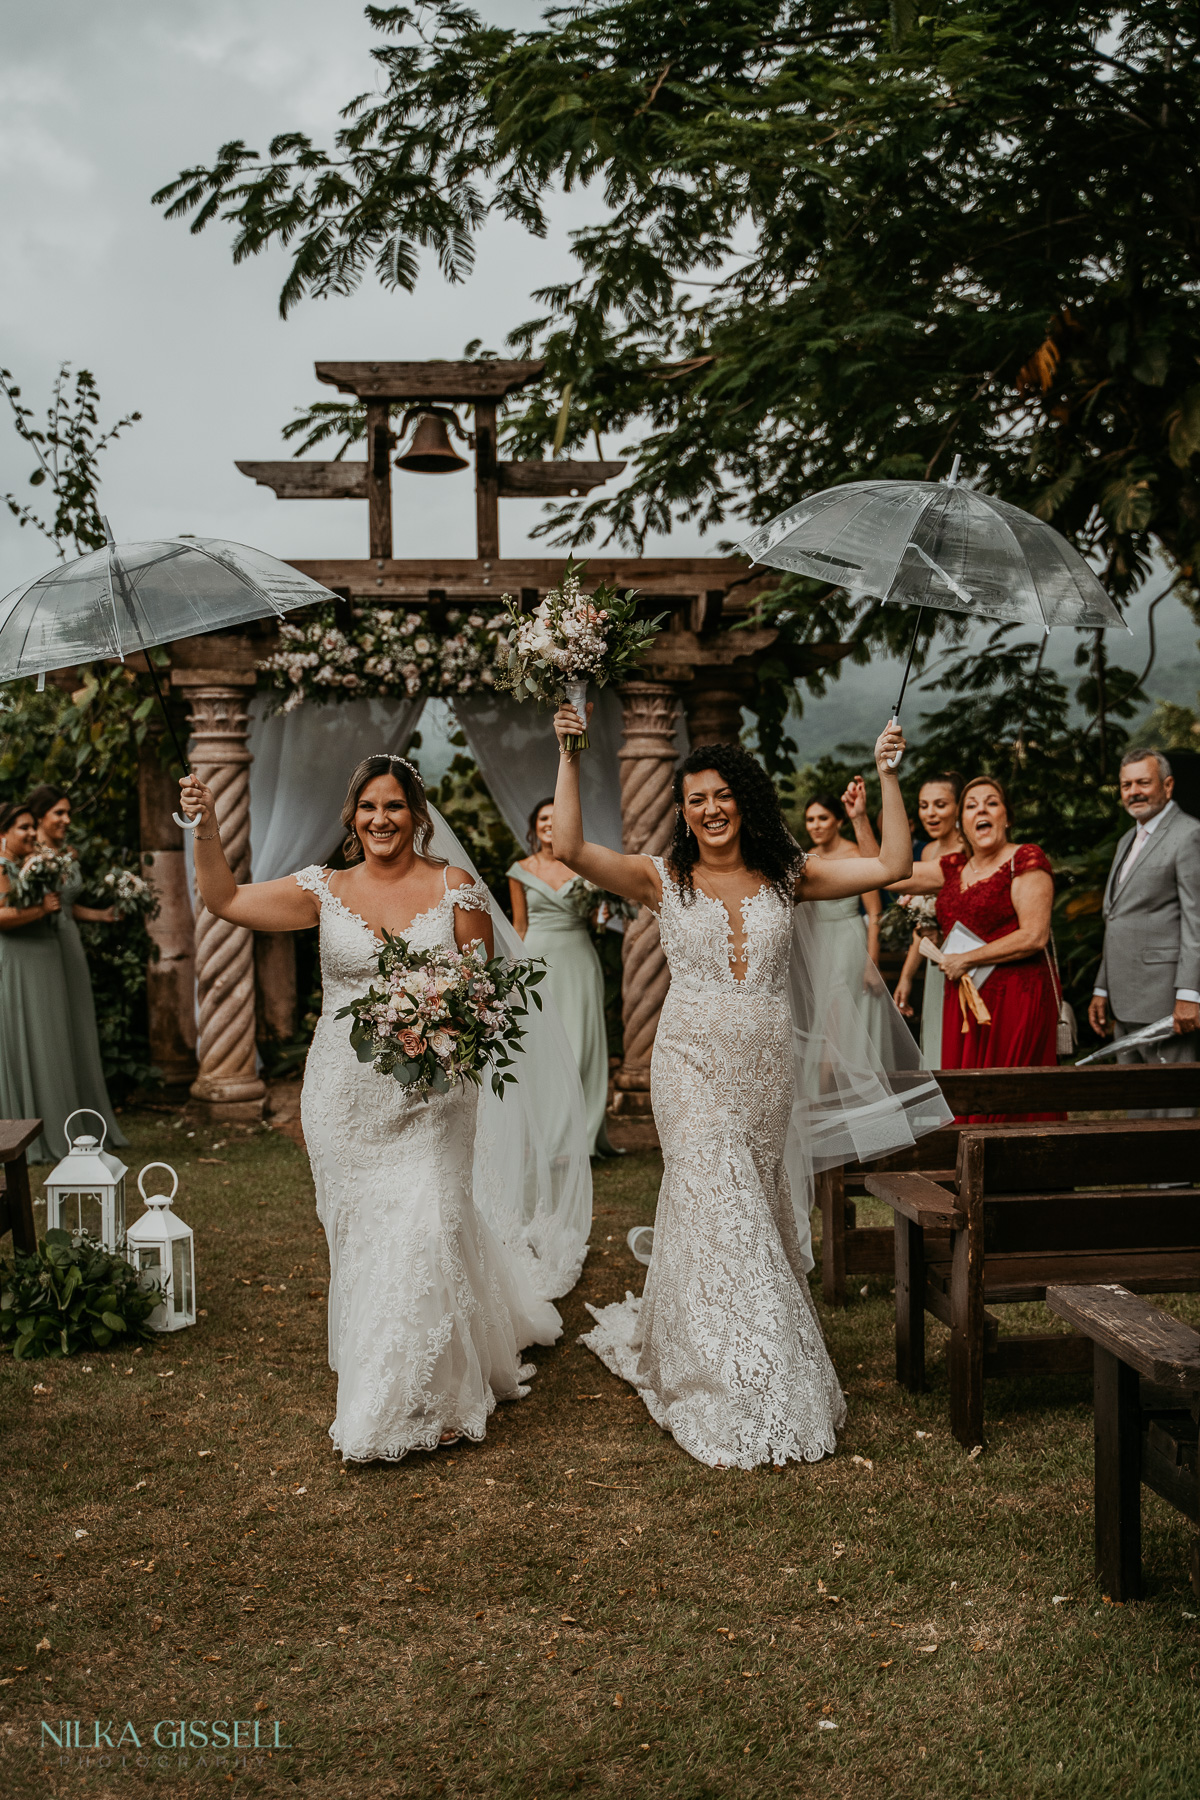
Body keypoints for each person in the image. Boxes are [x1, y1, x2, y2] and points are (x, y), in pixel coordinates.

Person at [551, 702, 946, 1470]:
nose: (710, 809)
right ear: (683, 811)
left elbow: (894, 865)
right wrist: (569, 749)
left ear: (745, 800)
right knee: (713, 1190)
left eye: (722, 795)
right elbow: (568, 846)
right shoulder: (658, 877)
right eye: (696, 798)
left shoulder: (789, 876)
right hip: (689, 1061)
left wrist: (889, 776)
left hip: (765, 1067)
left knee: (751, 1205)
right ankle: (730, 1376)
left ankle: (712, 1337)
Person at [178, 753, 589, 1464]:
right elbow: (225, 901)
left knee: (429, 1221)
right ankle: (389, 1369)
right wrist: (206, 827)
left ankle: (437, 1397)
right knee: (366, 1236)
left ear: (418, 816)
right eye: (368, 807)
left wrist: (443, 1023)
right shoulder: (322, 890)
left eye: (394, 806)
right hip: (343, 1093)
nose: (381, 820)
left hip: (435, 1094)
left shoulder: (456, 888)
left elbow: (484, 995)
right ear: (352, 818)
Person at [892, 774, 1059, 1120]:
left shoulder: (1024, 859)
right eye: (971, 805)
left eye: (992, 803)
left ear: (1007, 817)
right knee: (966, 1097)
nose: (981, 809)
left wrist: (965, 958)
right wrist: (861, 818)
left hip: (1014, 998)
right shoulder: (953, 868)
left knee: (1009, 1101)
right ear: (962, 824)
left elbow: (1034, 935)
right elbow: (890, 873)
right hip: (964, 1001)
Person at [1087, 747, 1200, 1108]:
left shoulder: (1189, 835)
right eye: (1125, 784)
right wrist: (1102, 987)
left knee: (1172, 1106)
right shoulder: (1127, 840)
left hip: (1167, 1000)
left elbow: (1196, 920)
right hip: (1124, 998)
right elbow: (1118, 917)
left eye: (1142, 782)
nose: (1133, 791)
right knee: (1134, 1103)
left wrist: (1190, 994)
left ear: (1167, 786)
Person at [508, 797, 614, 1155]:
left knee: (580, 1043)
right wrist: (511, 972)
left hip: (578, 959)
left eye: (557, 817)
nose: (550, 824)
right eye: (543, 818)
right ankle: (546, 1133)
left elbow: (599, 921)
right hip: (536, 962)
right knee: (542, 1048)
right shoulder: (519, 870)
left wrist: (604, 910)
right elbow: (519, 926)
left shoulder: (585, 866)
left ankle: (581, 1136)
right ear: (534, 826)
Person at [25, 785, 126, 1150]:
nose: (67, 820)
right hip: (41, 945)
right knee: (49, 1028)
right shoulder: (28, 856)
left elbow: (67, 907)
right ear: (39, 818)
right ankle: (46, 1118)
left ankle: (80, 1115)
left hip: (70, 943)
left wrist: (102, 915)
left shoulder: (66, 854)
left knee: (76, 1026)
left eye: (68, 813)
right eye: (59, 813)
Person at [0, 800, 87, 1163]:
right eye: (23, 828)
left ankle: (56, 1125)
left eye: (32, 827)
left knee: (47, 1040)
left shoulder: (28, 865)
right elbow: (1, 915)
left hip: (43, 957)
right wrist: (41, 910)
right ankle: (25, 1133)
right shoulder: (2, 867)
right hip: (17, 961)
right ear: (3, 832)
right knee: (24, 1039)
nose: (32, 833)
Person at [882, 774, 965, 1068]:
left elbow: (889, 877)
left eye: (940, 804)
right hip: (935, 966)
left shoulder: (968, 853)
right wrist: (906, 976)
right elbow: (924, 924)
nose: (930, 813)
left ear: (959, 807)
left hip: (964, 962)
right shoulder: (929, 851)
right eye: (923, 805)